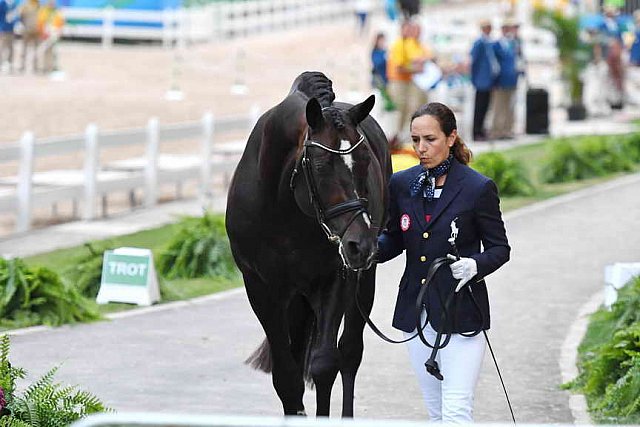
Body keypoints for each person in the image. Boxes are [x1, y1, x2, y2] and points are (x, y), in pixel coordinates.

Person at [376, 102, 510, 422]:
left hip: (461, 311)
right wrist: (365, 250)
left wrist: (475, 265)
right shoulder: (401, 184)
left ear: (451, 138)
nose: (421, 148)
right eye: (415, 140)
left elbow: (499, 248)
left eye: (430, 139)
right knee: (435, 410)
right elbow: (394, 237)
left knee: (456, 407)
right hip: (415, 311)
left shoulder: (478, 188)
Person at [387, 20, 432, 149]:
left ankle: (401, 136)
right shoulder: (398, 45)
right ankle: (394, 137)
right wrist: (416, 69)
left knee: (409, 109)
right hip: (398, 81)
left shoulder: (411, 43)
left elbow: (422, 56)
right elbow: (399, 67)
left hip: (409, 81)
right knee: (399, 110)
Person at [470, 19, 499, 141]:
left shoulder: (489, 42)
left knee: (486, 106)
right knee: (479, 106)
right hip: (481, 80)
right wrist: (475, 78)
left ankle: (482, 129)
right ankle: (476, 131)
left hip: (489, 80)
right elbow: (474, 61)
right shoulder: (479, 43)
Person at [490, 19, 518, 139]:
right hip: (500, 80)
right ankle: (497, 130)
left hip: (512, 79)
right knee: (498, 106)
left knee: (510, 106)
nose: (507, 31)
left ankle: (508, 129)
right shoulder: (496, 45)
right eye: (505, 28)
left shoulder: (514, 44)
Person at [37, 0, 63, 73]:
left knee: (54, 52)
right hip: (45, 34)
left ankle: (53, 67)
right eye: (50, 2)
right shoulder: (44, 11)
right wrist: (42, 33)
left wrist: (59, 31)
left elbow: (60, 22)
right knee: (45, 51)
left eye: (53, 3)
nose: (51, 4)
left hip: (54, 34)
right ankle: (45, 67)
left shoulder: (57, 11)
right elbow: (40, 22)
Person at [19, 0, 39, 73]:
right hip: (27, 30)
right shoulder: (25, 5)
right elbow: (21, 16)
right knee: (24, 49)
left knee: (36, 49)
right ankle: (22, 66)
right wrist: (23, 26)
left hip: (36, 31)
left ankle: (35, 67)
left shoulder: (38, 5)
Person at [0, 0, 17, 73]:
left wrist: (16, 24)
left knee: (11, 47)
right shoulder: (2, 4)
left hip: (11, 29)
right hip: (3, 28)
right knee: (2, 47)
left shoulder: (13, 4)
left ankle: (10, 64)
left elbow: (15, 16)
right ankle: (1, 63)